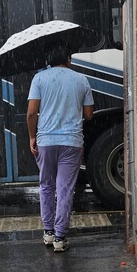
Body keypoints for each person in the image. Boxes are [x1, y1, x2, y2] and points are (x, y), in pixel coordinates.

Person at [26, 44, 94, 252]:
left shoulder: (39, 79)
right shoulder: (81, 80)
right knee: (65, 189)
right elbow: (89, 115)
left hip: (45, 141)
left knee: (46, 186)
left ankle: (48, 231)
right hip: (71, 142)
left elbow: (31, 113)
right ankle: (60, 237)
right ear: (69, 59)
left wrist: (31, 136)